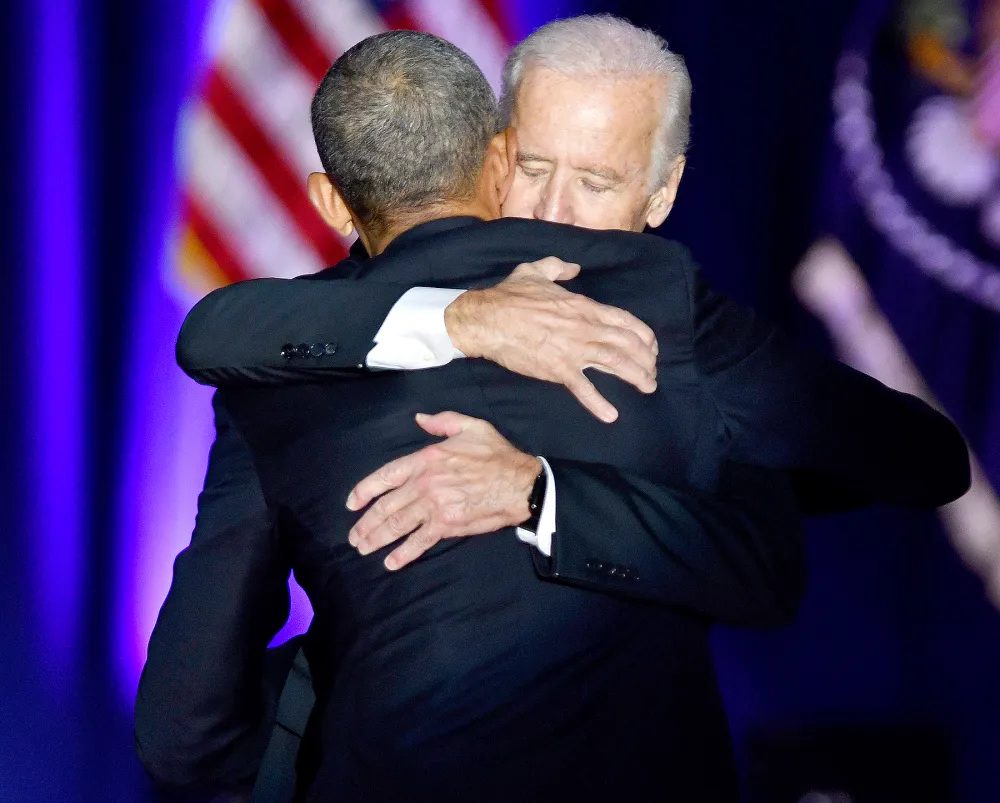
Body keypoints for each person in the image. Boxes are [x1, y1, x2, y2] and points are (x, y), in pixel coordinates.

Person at [135, 24, 832, 802]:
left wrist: (328, 714)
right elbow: (767, 562)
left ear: (330, 202)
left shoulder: (272, 383)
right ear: (499, 161)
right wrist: (458, 320)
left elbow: (183, 729)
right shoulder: (669, 319)